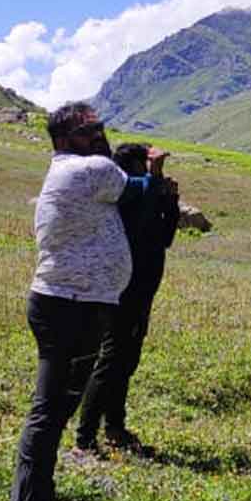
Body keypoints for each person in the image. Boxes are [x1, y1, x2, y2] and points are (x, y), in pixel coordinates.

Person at [9, 103, 162, 501]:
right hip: (70, 306)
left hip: (74, 302)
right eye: (87, 130)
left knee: (57, 411)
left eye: (100, 127)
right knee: (48, 412)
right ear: (63, 139)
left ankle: (42, 498)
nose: (97, 135)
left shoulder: (72, 169)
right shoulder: (93, 169)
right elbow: (140, 190)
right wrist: (153, 171)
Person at [75, 143, 181, 453]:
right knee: (112, 359)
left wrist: (171, 201)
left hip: (142, 290)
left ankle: (114, 426)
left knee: (126, 360)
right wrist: (155, 178)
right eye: (142, 166)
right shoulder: (125, 198)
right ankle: (85, 437)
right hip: (123, 289)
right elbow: (142, 221)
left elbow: (165, 237)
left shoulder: (146, 194)